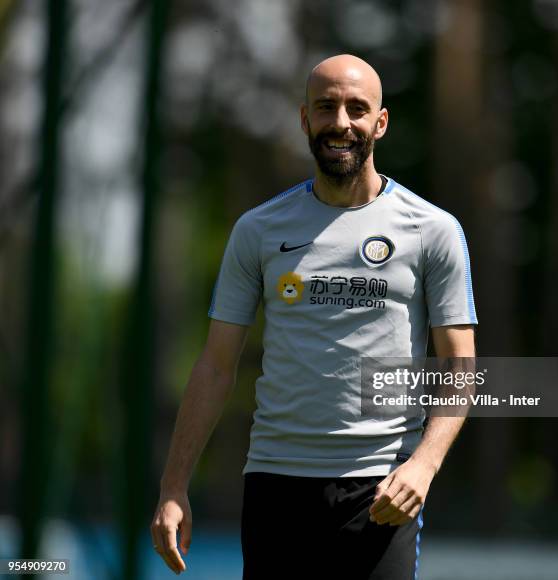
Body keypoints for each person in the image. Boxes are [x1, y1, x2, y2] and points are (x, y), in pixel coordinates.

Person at [150, 54, 477, 579]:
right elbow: (215, 365)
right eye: (326, 107)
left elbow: (461, 368)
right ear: (305, 119)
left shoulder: (432, 230)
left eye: (356, 108)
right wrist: (173, 488)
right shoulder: (257, 230)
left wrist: (424, 464)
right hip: (275, 486)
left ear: (380, 122)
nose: (341, 122)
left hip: (381, 489)